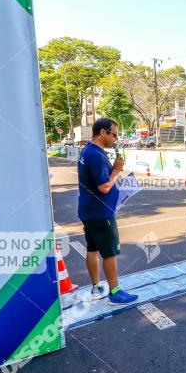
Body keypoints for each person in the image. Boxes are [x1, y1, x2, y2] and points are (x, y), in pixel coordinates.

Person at [77, 118, 138, 305]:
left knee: (92, 249)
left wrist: (113, 168)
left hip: (89, 211)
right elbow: (104, 186)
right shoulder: (95, 155)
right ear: (103, 132)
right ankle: (115, 292)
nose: (115, 139)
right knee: (109, 253)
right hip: (101, 213)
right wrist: (117, 171)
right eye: (114, 134)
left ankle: (96, 287)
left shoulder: (88, 151)